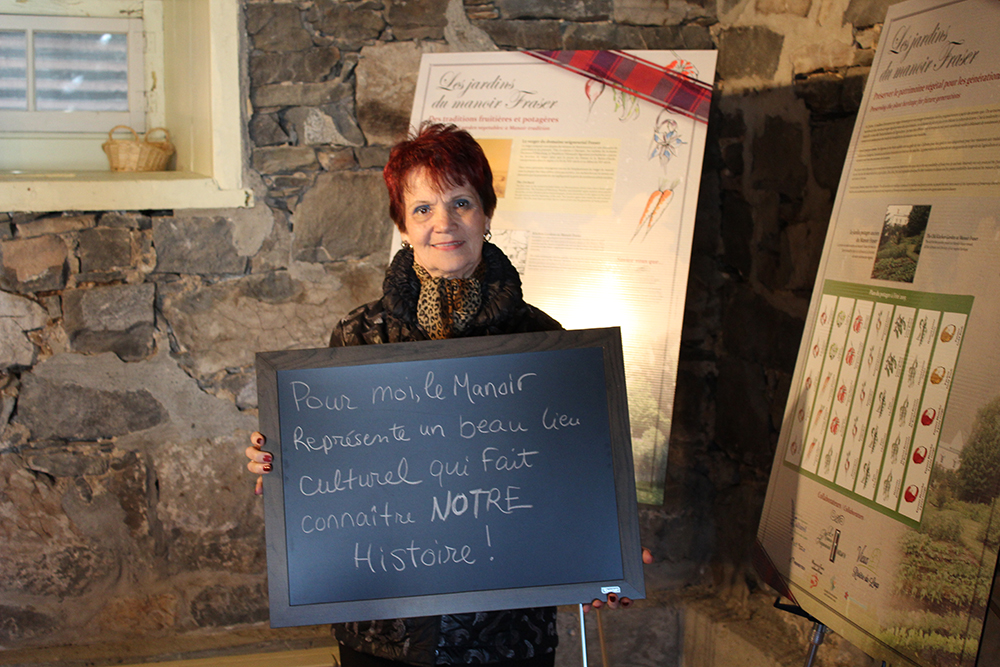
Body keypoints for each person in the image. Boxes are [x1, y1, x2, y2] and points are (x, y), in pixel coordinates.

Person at [246, 123, 644, 667]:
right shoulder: (358, 338)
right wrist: (278, 466)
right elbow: (326, 478)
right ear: (402, 225)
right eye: (423, 209)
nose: (444, 224)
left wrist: (606, 554)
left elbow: (573, 477)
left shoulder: (542, 340)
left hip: (507, 635)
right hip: (382, 631)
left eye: (461, 202)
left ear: (485, 213)